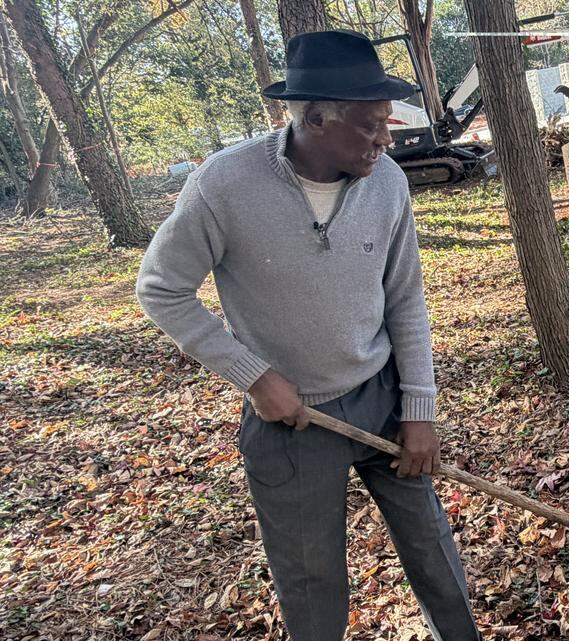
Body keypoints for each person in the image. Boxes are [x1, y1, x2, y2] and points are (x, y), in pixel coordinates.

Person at [135, 29, 481, 641]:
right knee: (312, 583)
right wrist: (253, 376)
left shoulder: (388, 183)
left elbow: (405, 299)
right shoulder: (224, 186)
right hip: (291, 424)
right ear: (316, 118)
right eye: (371, 125)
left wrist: (419, 409)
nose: (386, 138)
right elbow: (161, 288)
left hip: (383, 400)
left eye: (388, 122)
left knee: (433, 553)